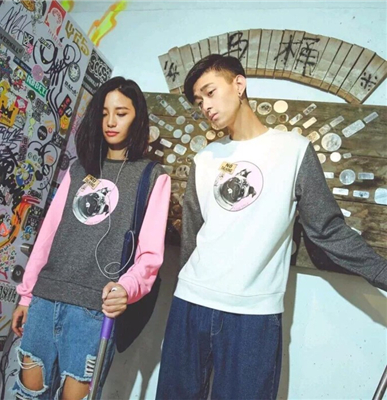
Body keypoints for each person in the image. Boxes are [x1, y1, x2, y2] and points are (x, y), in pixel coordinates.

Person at [155, 54, 387, 400]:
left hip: (254, 314)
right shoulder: (204, 160)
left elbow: (328, 230)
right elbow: (192, 237)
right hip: (191, 301)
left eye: (210, 92)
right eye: (199, 101)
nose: (205, 106)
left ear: (239, 84)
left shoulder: (293, 151)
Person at [11, 76, 171, 400]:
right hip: (45, 300)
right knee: (28, 395)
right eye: (104, 113)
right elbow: (48, 235)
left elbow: (150, 256)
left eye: (121, 113)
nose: (111, 122)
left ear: (137, 118)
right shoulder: (78, 168)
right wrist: (27, 296)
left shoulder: (152, 176)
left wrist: (126, 288)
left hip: (94, 311)